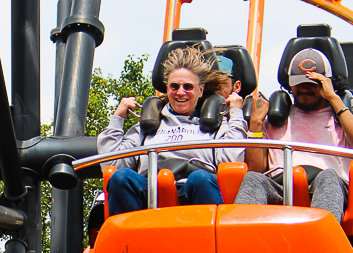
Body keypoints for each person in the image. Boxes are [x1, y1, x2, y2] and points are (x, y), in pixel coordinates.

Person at [98, 46, 247, 215]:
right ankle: (130, 239)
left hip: (193, 194)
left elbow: (232, 159)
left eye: (188, 87)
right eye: (174, 86)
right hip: (150, 194)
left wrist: (235, 114)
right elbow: (111, 164)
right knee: (121, 177)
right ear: (167, 89)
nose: (180, 92)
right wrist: (117, 117)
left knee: (200, 178)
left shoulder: (216, 126)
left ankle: (206, 238)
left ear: (201, 90)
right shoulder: (149, 126)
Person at [234, 48, 353, 221]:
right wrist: (256, 123)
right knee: (253, 179)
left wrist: (334, 98)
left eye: (312, 83)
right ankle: (240, 240)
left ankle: (320, 241)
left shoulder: (346, 115)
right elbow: (257, 169)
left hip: (329, 184)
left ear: (326, 83)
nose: (305, 88)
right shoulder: (275, 119)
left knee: (327, 178)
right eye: (299, 83)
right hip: (282, 184)